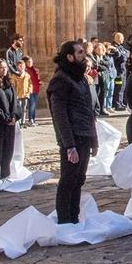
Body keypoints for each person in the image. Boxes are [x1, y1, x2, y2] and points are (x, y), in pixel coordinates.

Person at [47, 41, 99, 224]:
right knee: (68, 179)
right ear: (69, 57)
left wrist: (94, 139)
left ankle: (74, 217)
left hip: (85, 134)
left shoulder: (81, 78)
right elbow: (59, 115)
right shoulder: (61, 79)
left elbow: (88, 111)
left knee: (79, 179)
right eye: (80, 52)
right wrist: (69, 145)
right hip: (73, 137)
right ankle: (64, 220)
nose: (84, 55)